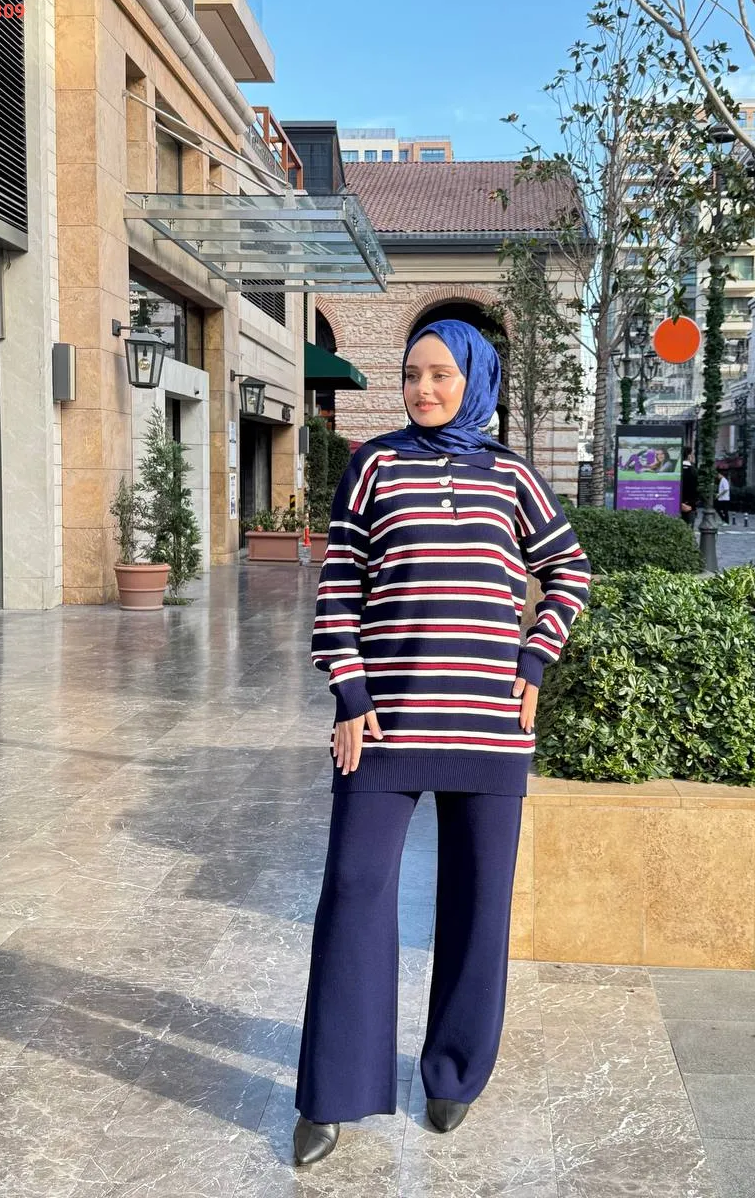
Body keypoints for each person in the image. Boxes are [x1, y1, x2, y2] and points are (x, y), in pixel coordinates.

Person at [293, 320, 592, 1165]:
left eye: (440, 375)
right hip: (384, 721)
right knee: (353, 890)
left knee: (478, 900)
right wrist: (349, 691)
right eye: (411, 374)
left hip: (490, 726)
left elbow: (569, 570)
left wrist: (535, 659)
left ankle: (454, 1072)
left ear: (473, 380)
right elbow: (340, 584)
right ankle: (332, 1091)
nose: (422, 390)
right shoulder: (374, 467)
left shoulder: (512, 475)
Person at [680, 449, 699, 527]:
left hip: (675, 505)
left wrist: (680, 503)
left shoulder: (677, 469)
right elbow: (698, 490)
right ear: (689, 456)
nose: (694, 456)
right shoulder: (694, 471)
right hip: (690, 506)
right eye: (693, 454)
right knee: (689, 529)